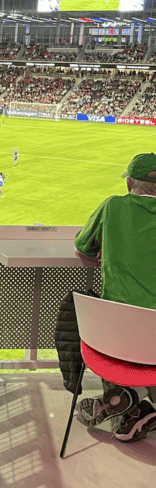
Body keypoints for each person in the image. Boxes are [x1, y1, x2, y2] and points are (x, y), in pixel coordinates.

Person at [73, 152, 156, 441]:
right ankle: (130, 403)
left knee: (74, 313)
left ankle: (120, 399)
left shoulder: (113, 206)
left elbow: (83, 248)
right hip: (150, 344)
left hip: (114, 342)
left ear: (130, 183)